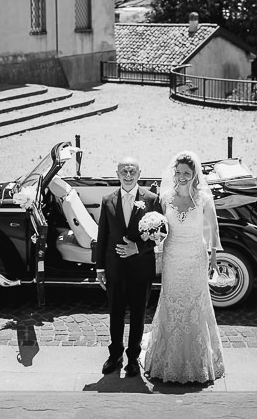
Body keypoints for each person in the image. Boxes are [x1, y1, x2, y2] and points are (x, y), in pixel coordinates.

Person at [144, 150, 225, 383]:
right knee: (171, 301)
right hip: (172, 257)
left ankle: (199, 360)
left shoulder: (203, 199)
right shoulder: (165, 197)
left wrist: (213, 257)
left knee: (196, 304)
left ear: (195, 174)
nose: (181, 176)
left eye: (186, 173)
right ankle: (165, 357)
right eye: (178, 172)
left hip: (195, 257)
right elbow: (160, 227)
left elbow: (214, 228)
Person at [94, 156, 161, 377]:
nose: (129, 175)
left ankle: (133, 358)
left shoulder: (151, 200)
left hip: (141, 268)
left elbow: (159, 236)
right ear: (117, 174)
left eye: (133, 171)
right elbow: (102, 235)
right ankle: (115, 355)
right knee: (115, 314)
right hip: (114, 269)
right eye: (124, 171)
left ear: (140, 174)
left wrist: (138, 249)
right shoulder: (107, 200)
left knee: (138, 315)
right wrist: (100, 268)